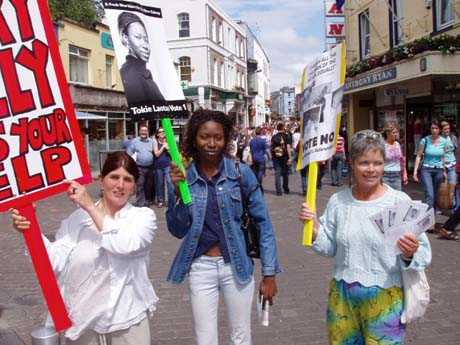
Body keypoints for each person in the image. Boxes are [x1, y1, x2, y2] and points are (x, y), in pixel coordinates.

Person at [298, 130, 431, 345]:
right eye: (364, 163)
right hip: (343, 298)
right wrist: (313, 227)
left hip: (386, 298)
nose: (371, 170)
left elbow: (424, 254)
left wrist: (410, 253)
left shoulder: (399, 202)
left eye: (377, 163)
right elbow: (328, 248)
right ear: (352, 163)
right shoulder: (338, 201)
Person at [11, 152, 158, 345]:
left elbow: (124, 244)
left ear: (133, 187)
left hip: (128, 321)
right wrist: (30, 229)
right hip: (83, 323)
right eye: (114, 177)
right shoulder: (77, 220)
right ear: (101, 181)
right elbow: (53, 262)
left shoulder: (142, 217)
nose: (120, 185)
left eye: (127, 180)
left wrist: (89, 206)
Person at [166, 109, 280, 345]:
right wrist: (178, 191)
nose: (211, 143)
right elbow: (177, 229)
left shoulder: (241, 173)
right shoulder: (183, 176)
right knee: (205, 338)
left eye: (217, 137)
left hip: (236, 265)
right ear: (194, 139)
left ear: (226, 139)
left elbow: (264, 223)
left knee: (240, 336)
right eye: (204, 137)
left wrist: (269, 274)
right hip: (200, 267)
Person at [118, 11, 165, 104]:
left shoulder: (145, 75)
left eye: (146, 39)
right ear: (125, 38)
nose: (145, 45)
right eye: (138, 37)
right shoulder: (130, 75)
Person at [413, 120, 447, 213]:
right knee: (430, 194)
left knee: (435, 195)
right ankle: (429, 220)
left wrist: (445, 171)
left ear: (439, 130)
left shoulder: (444, 141)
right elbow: (419, 156)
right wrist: (415, 172)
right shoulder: (425, 140)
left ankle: (432, 214)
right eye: (432, 128)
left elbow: (444, 157)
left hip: (439, 170)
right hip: (426, 169)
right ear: (430, 129)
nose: (434, 130)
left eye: (436, 128)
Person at [127, 124, 155, 207]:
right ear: (139, 132)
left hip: (150, 167)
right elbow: (129, 153)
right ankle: (140, 202)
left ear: (148, 132)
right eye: (142, 130)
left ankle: (147, 201)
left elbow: (156, 152)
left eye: (145, 131)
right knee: (140, 185)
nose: (144, 132)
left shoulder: (152, 141)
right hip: (139, 167)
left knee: (148, 185)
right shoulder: (135, 141)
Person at [271, 123, 292, 195]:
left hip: (276, 157)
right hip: (285, 157)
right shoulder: (286, 136)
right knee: (285, 173)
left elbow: (271, 147)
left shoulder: (274, 137)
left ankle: (279, 191)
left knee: (277, 173)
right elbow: (288, 147)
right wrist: (290, 157)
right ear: (283, 128)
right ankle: (286, 189)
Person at [153, 127, 171, 208]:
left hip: (167, 166)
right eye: (160, 132)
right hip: (158, 166)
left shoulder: (169, 141)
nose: (162, 133)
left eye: (163, 131)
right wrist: (163, 147)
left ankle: (170, 200)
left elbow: (173, 154)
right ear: (157, 134)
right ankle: (160, 201)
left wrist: (168, 149)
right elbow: (156, 154)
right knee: (160, 184)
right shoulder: (155, 142)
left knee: (169, 183)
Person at [441, 121, 457, 186]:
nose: (447, 130)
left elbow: (456, 151)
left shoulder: (453, 138)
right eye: (445, 129)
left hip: (452, 165)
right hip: (441, 167)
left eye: (448, 128)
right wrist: (443, 170)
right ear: (441, 130)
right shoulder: (438, 140)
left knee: (452, 188)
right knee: (442, 190)